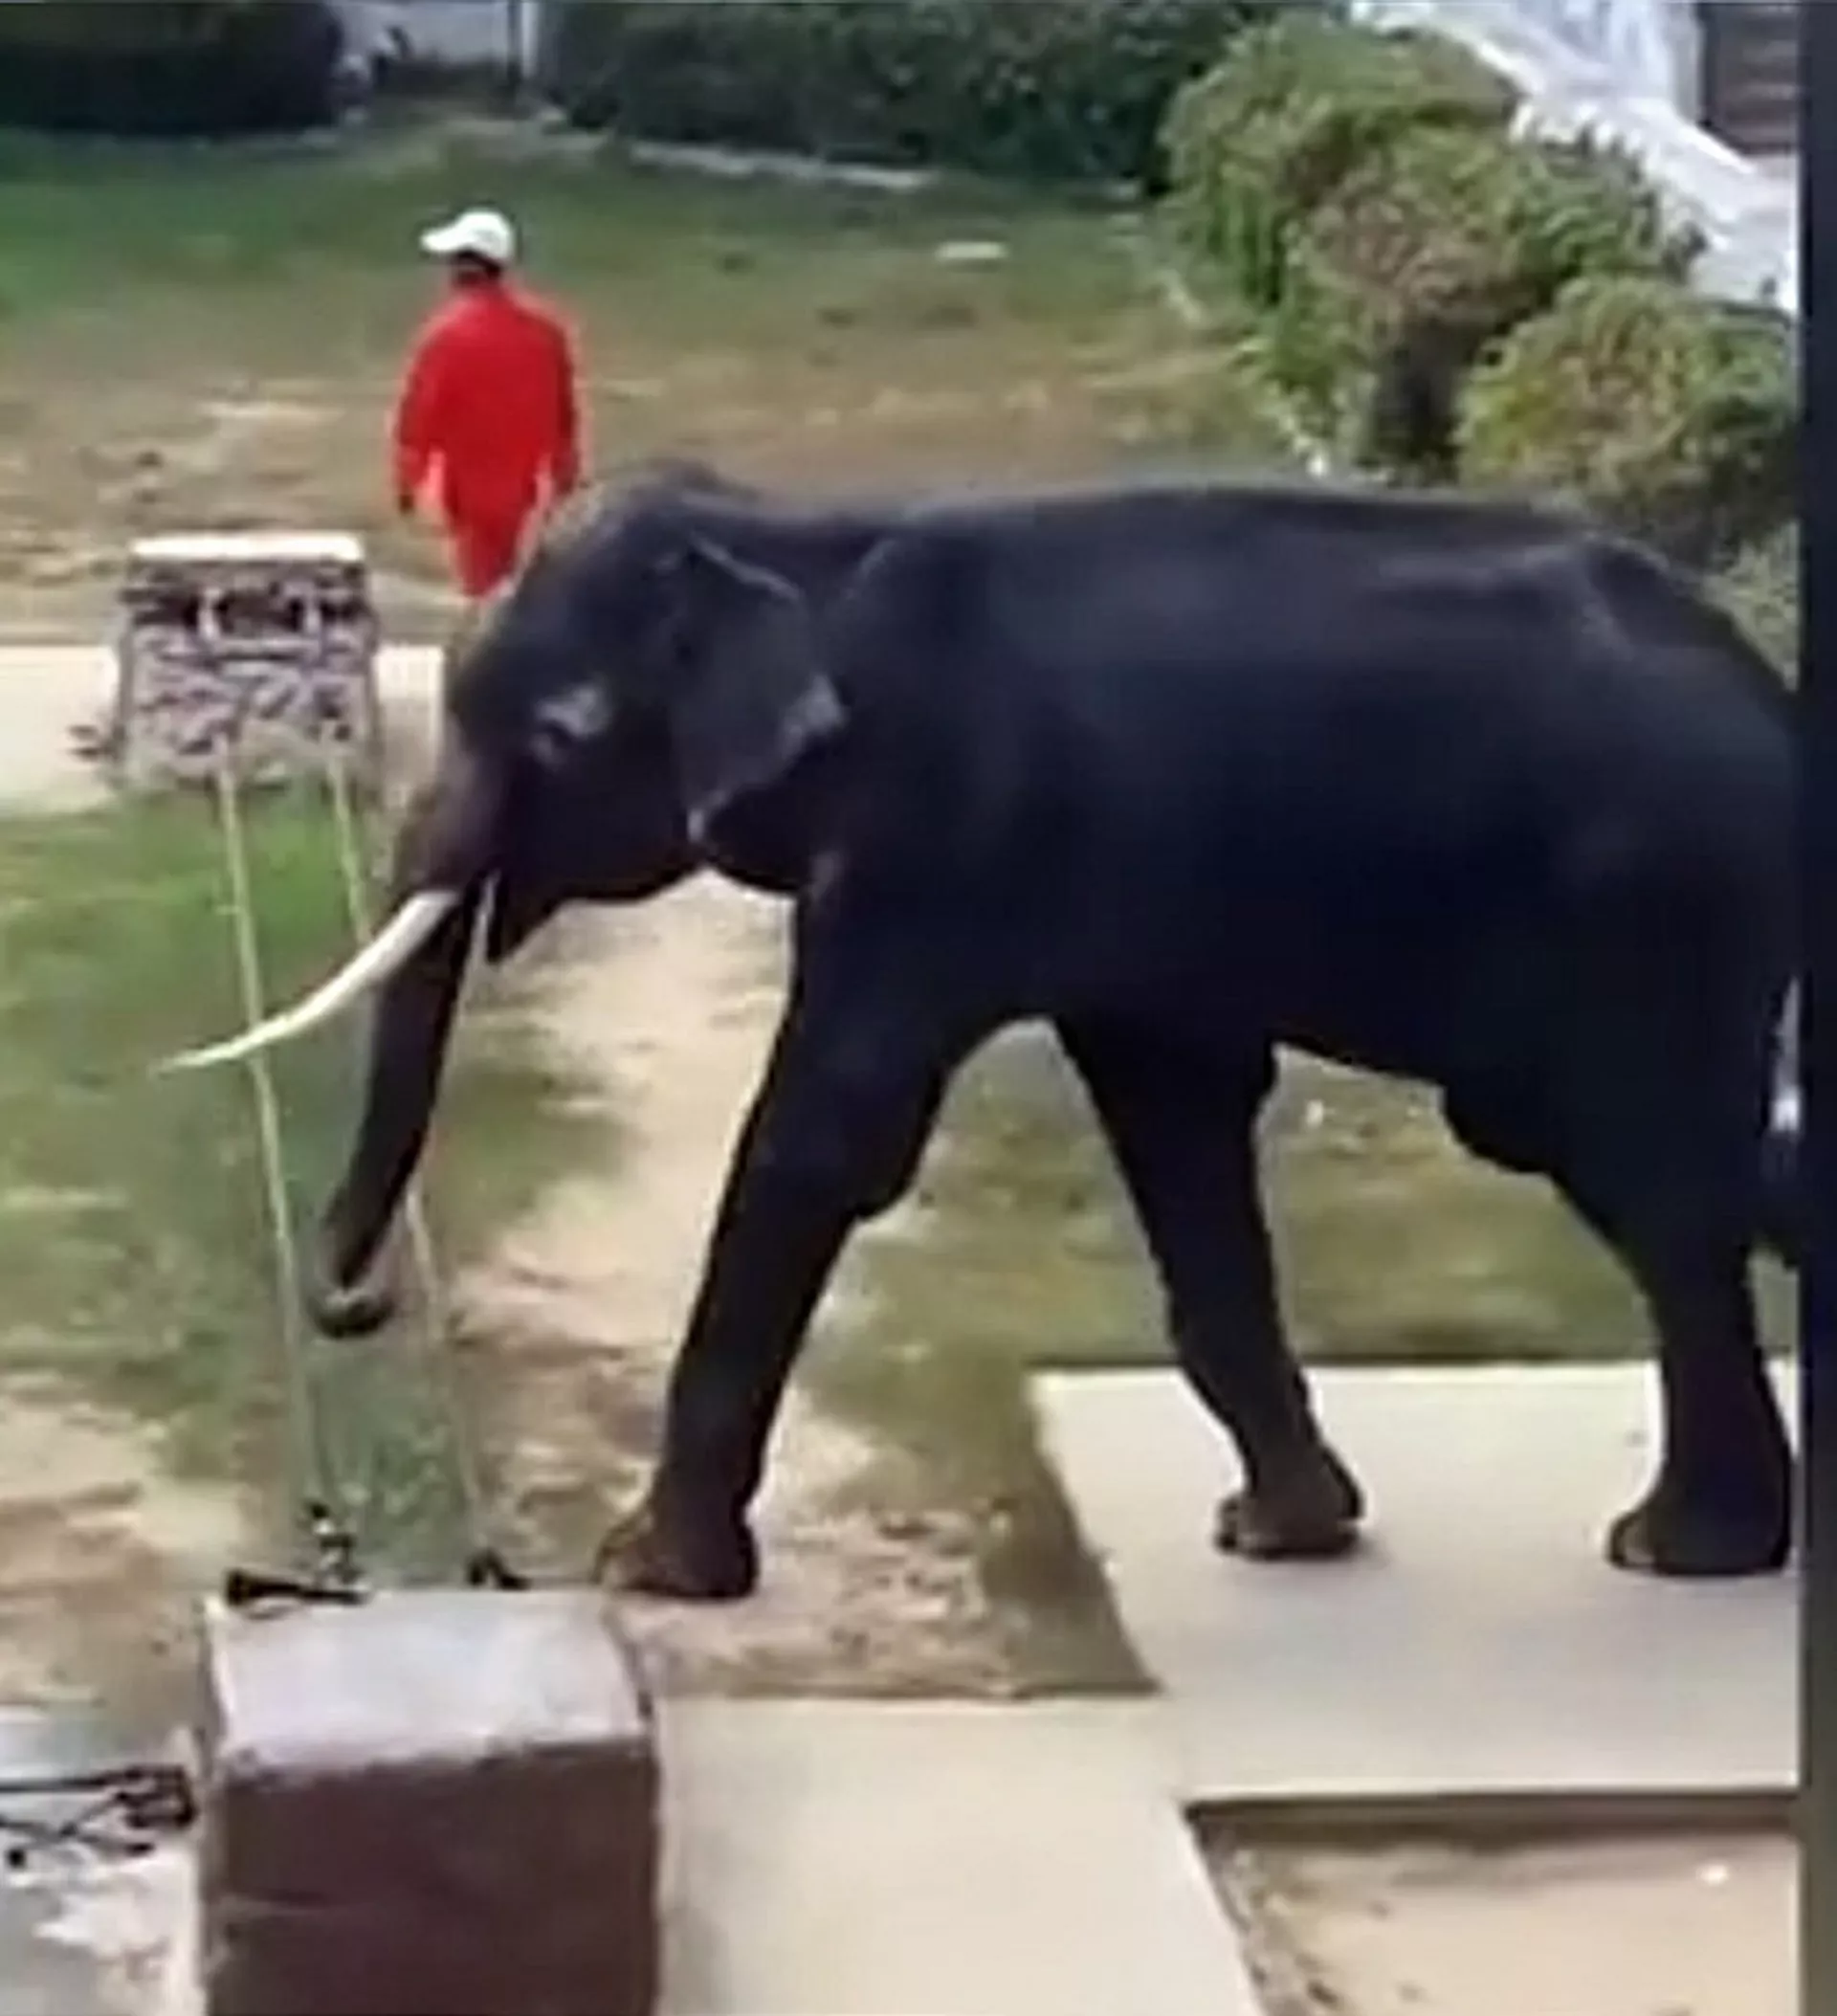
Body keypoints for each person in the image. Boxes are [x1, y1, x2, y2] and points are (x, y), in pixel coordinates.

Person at [392, 206, 583, 604]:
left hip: (471, 489)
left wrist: (408, 482)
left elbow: (419, 419)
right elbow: (564, 415)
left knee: (483, 589)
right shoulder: (546, 331)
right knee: (522, 580)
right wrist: (565, 478)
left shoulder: (445, 336)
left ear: (462, 267)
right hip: (528, 486)